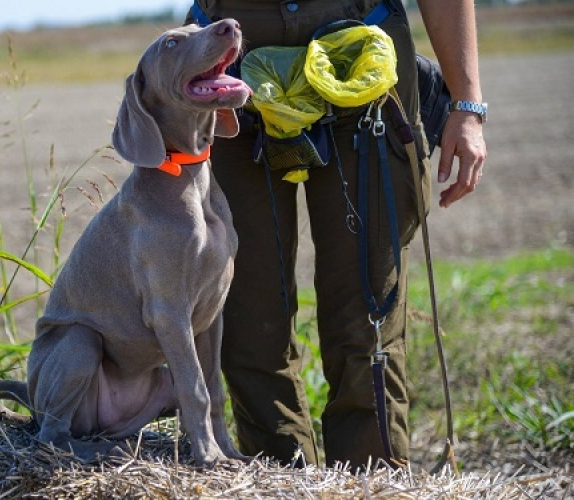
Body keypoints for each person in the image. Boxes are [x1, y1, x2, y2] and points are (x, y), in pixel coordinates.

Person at [184, 0, 487, 469]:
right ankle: (279, 483)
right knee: (247, 324)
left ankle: (370, 483)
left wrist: (467, 105)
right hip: (227, 63)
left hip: (363, 54)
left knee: (368, 315)